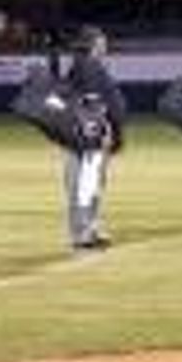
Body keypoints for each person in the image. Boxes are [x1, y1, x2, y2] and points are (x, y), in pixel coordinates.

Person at [59, 26, 127, 251]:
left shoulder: (84, 65)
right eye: (102, 41)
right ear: (93, 43)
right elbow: (102, 102)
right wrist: (116, 132)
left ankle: (89, 229)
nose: (105, 45)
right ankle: (82, 233)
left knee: (90, 184)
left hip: (87, 134)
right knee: (83, 184)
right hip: (86, 135)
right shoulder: (87, 66)